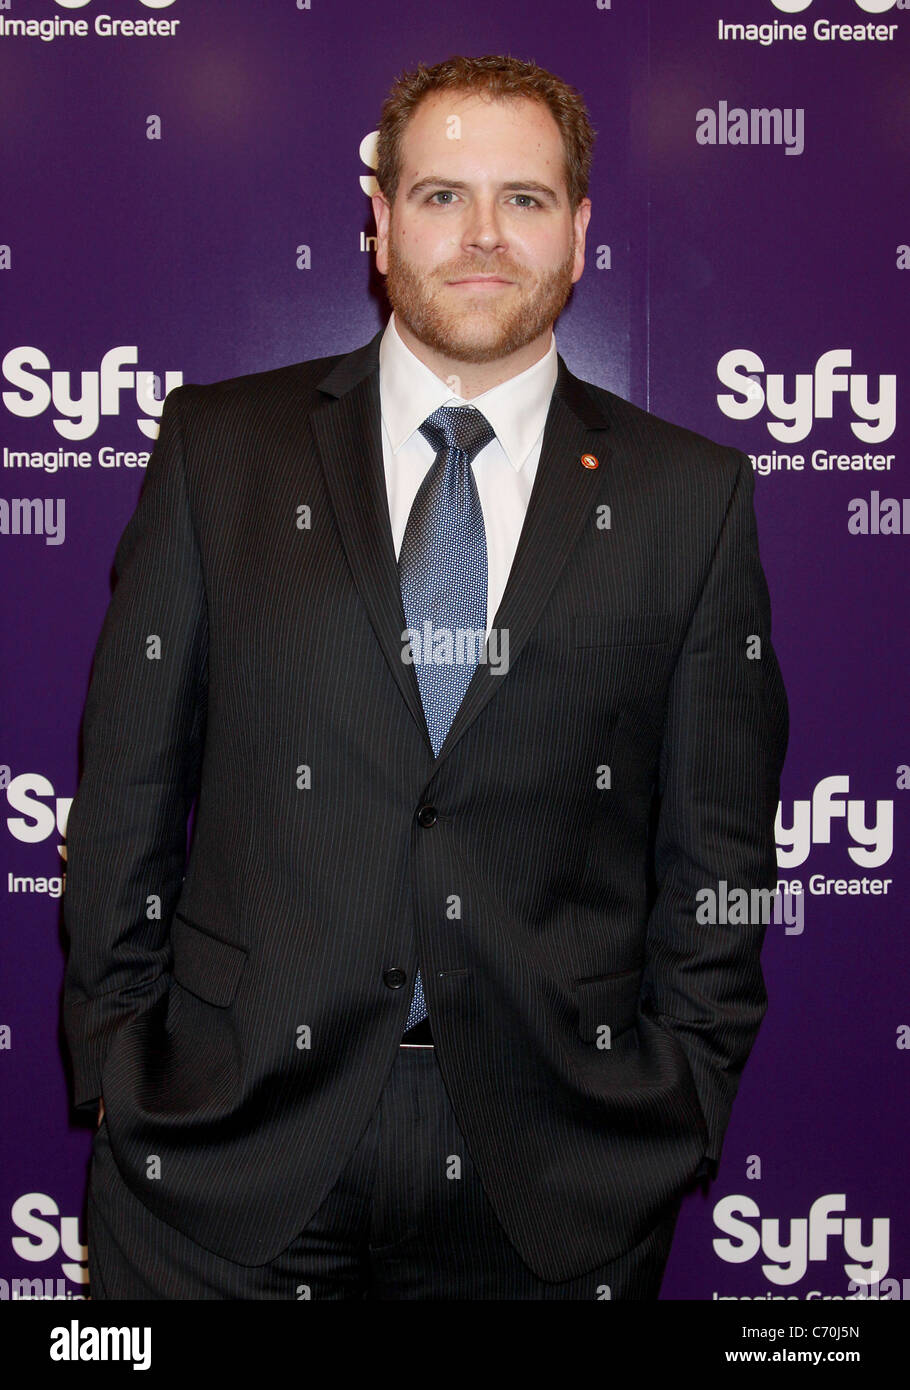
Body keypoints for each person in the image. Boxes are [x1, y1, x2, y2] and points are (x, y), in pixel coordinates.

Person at [63, 53, 789, 1300]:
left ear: (579, 233)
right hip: (223, 1155)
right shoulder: (218, 451)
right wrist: (125, 1062)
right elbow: (126, 797)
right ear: (379, 219)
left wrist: (678, 1098)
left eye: (525, 198)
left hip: (551, 1182)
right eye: (442, 195)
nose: (483, 235)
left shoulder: (691, 498)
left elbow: (719, 863)